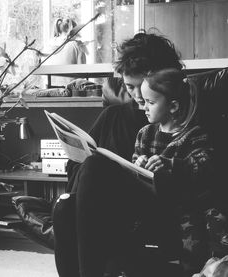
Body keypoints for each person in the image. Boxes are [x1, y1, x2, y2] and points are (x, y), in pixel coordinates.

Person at [52, 31, 213, 277]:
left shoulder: (188, 123)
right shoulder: (114, 117)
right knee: (65, 207)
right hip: (100, 203)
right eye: (129, 87)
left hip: (153, 207)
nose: (138, 97)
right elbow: (74, 170)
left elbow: (203, 170)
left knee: (94, 169)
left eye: (143, 87)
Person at [44, 17, 87, 87]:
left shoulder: (49, 44)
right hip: (69, 90)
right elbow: (82, 74)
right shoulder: (78, 45)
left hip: (49, 88)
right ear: (74, 31)